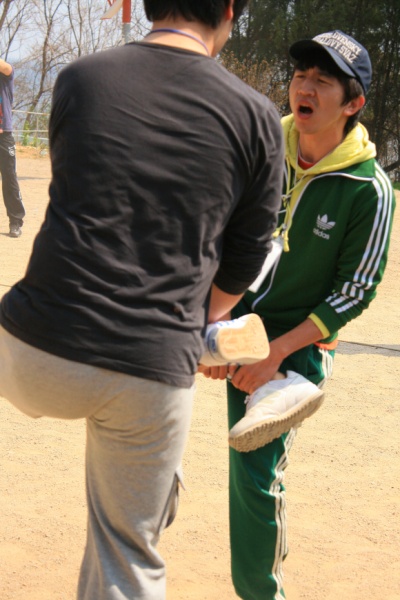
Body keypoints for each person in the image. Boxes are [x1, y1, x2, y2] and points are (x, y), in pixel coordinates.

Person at [0, 1, 284, 599]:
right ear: (229, 11)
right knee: (126, 551)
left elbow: (79, 193)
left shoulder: (81, 77)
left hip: (34, 345)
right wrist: (200, 325)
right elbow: (245, 257)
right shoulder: (257, 116)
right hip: (150, 369)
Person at [200, 30, 395, 599]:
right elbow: (213, 230)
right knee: (139, 387)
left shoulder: (369, 189)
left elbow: (355, 290)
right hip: (232, 317)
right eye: (300, 76)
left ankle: (262, 595)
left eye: (322, 81)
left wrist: (275, 354)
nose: (304, 88)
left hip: (298, 345)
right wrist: (213, 331)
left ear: (353, 103)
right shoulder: (259, 147)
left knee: (255, 474)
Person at [0, 58, 25, 237]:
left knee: (9, 178)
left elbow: (6, 67)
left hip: (4, 135)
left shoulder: (5, 75)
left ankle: (15, 221)